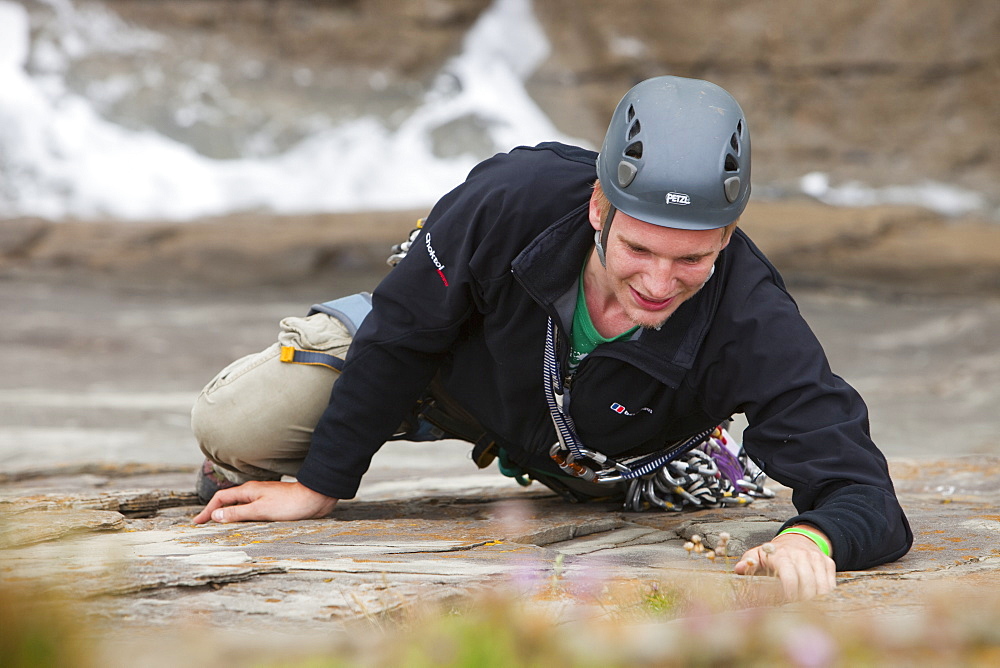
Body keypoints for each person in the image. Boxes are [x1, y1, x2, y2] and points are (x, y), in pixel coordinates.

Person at [191, 76, 912, 600]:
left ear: (726, 235)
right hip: (445, 373)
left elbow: (864, 494)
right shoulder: (513, 196)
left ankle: (700, 450)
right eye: (638, 249)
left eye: (691, 257)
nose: (660, 282)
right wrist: (320, 487)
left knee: (708, 497)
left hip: (598, 448)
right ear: (600, 205)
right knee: (234, 425)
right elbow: (405, 331)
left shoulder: (754, 318)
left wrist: (812, 538)